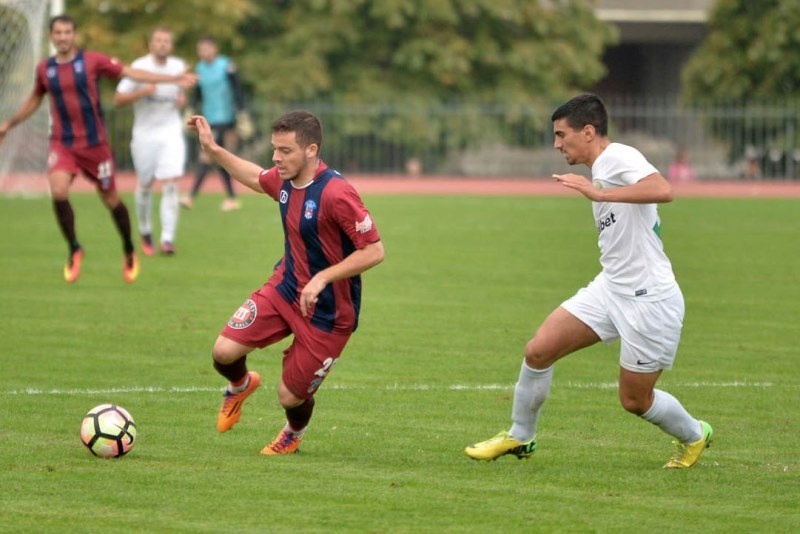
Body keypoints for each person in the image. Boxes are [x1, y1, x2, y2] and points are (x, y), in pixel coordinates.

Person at [465, 94, 712, 469]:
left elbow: (664, 189)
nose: (556, 144)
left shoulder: (617, 157)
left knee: (635, 401)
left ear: (588, 131)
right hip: (611, 287)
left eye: (562, 135)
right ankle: (520, 436)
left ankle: (695, 435)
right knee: (538, 351)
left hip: (649, 299)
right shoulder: (601, 166)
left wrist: (599, 193)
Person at [186, 110, 384, 455]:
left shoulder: (337, 194)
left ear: (311, 150)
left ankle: (294, 431)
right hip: (285, 290)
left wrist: (323, 277)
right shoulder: (284, 181)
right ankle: (241, 384)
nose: (276, 158)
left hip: (329, 314)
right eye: (275, 149)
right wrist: (214, 150)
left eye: (285, 151)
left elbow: (375, 251)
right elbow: (253, 175)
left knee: (289, 396)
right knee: (223, 352)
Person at [0, 14, 196, 283]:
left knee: (112, 200)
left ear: (74, 35)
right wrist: (9, 123)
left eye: (67, 32)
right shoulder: (45, 69)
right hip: (63, 143)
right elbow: (35, 98)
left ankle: (128, 247)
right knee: (58, 191)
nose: (63, 37)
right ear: (51, 36)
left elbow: (131, 72)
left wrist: (172, 79)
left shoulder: (92, 61)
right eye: (58, 33)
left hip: (95, 146)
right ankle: (74, 248)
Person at [114, 27, 188, 256]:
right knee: (145, 183)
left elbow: (182, 97)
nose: (162, 44)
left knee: (170, 181)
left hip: (171, 132)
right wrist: (143, 91)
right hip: (145, 134)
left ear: (171, 45)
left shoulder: (178, 67)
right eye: (158, 40)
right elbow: (118, 99)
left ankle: (167, 239)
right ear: (150, 44)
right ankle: (145, 229)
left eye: (167, 40)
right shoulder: (139, 67)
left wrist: (182, 100)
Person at [181, 35, 253, 212]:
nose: (203, 52)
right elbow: (197, 94)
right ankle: (231, 198)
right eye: (201, 49)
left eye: (206, 48)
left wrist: (243, 113)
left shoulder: (226, 66)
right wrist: (190, 109)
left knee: (208, 155)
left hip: (225, 118)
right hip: (209, 118)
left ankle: (191, 197)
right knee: (217, 157)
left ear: (215, 48)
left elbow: (238, 90)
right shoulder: (199, 69)